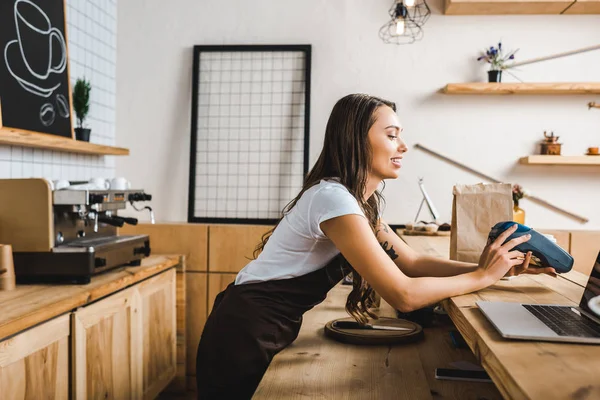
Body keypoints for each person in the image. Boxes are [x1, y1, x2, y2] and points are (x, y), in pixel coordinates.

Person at [195, 93, 555, 399]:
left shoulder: (354, 203)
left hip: (260, 327)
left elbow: (412, 263)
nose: (403, 146)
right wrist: (481, 276)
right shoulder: (332, 199)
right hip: (242, 335)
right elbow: (404, 294)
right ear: (357, 139)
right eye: (392, 135)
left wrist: (500, 269)